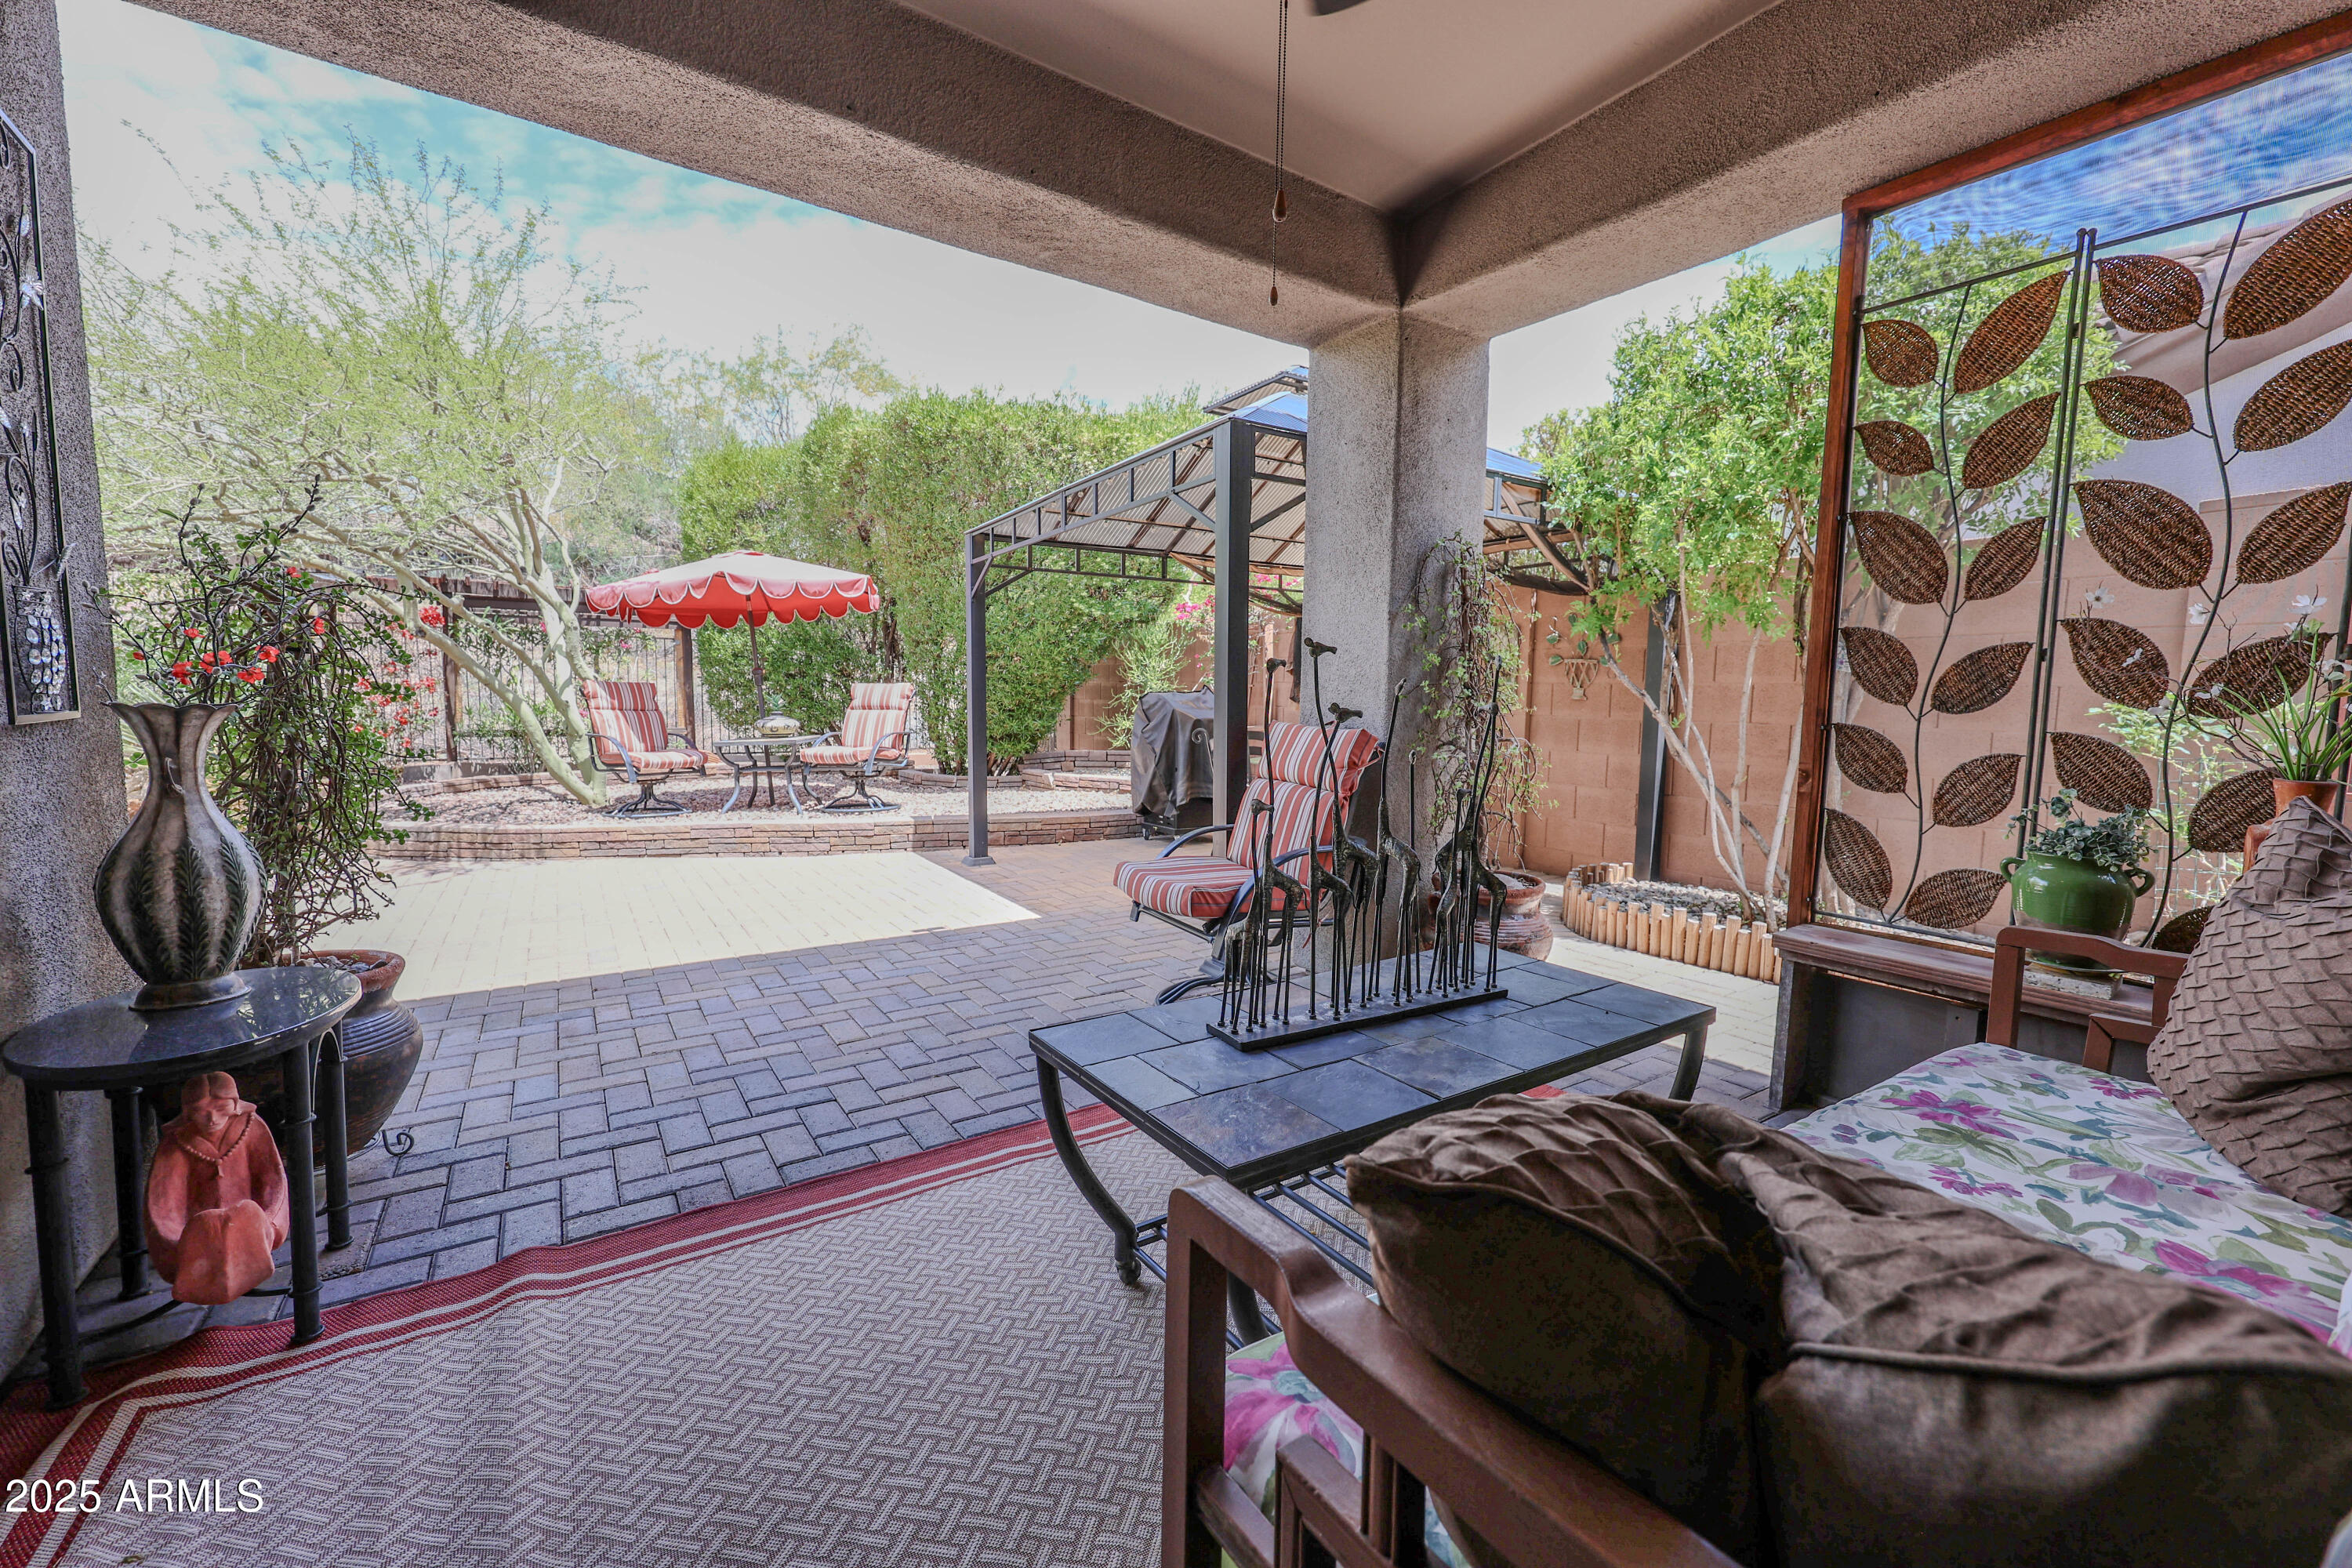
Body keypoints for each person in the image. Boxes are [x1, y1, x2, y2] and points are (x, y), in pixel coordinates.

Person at [144, 1071, 289, 1305]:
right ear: (188, 1111)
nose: (212, 1119)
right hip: (196, 1232)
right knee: (206, 1224)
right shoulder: (178, 1141)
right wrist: (175, 1240)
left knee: (246, 1214)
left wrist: (268, 1220)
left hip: (251, 1222)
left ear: (235, 1104)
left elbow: (272, 1179)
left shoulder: (250, 1126)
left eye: (221, 1109)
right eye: (202, 1111)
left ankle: (245, 1258)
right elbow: (164, 1201)